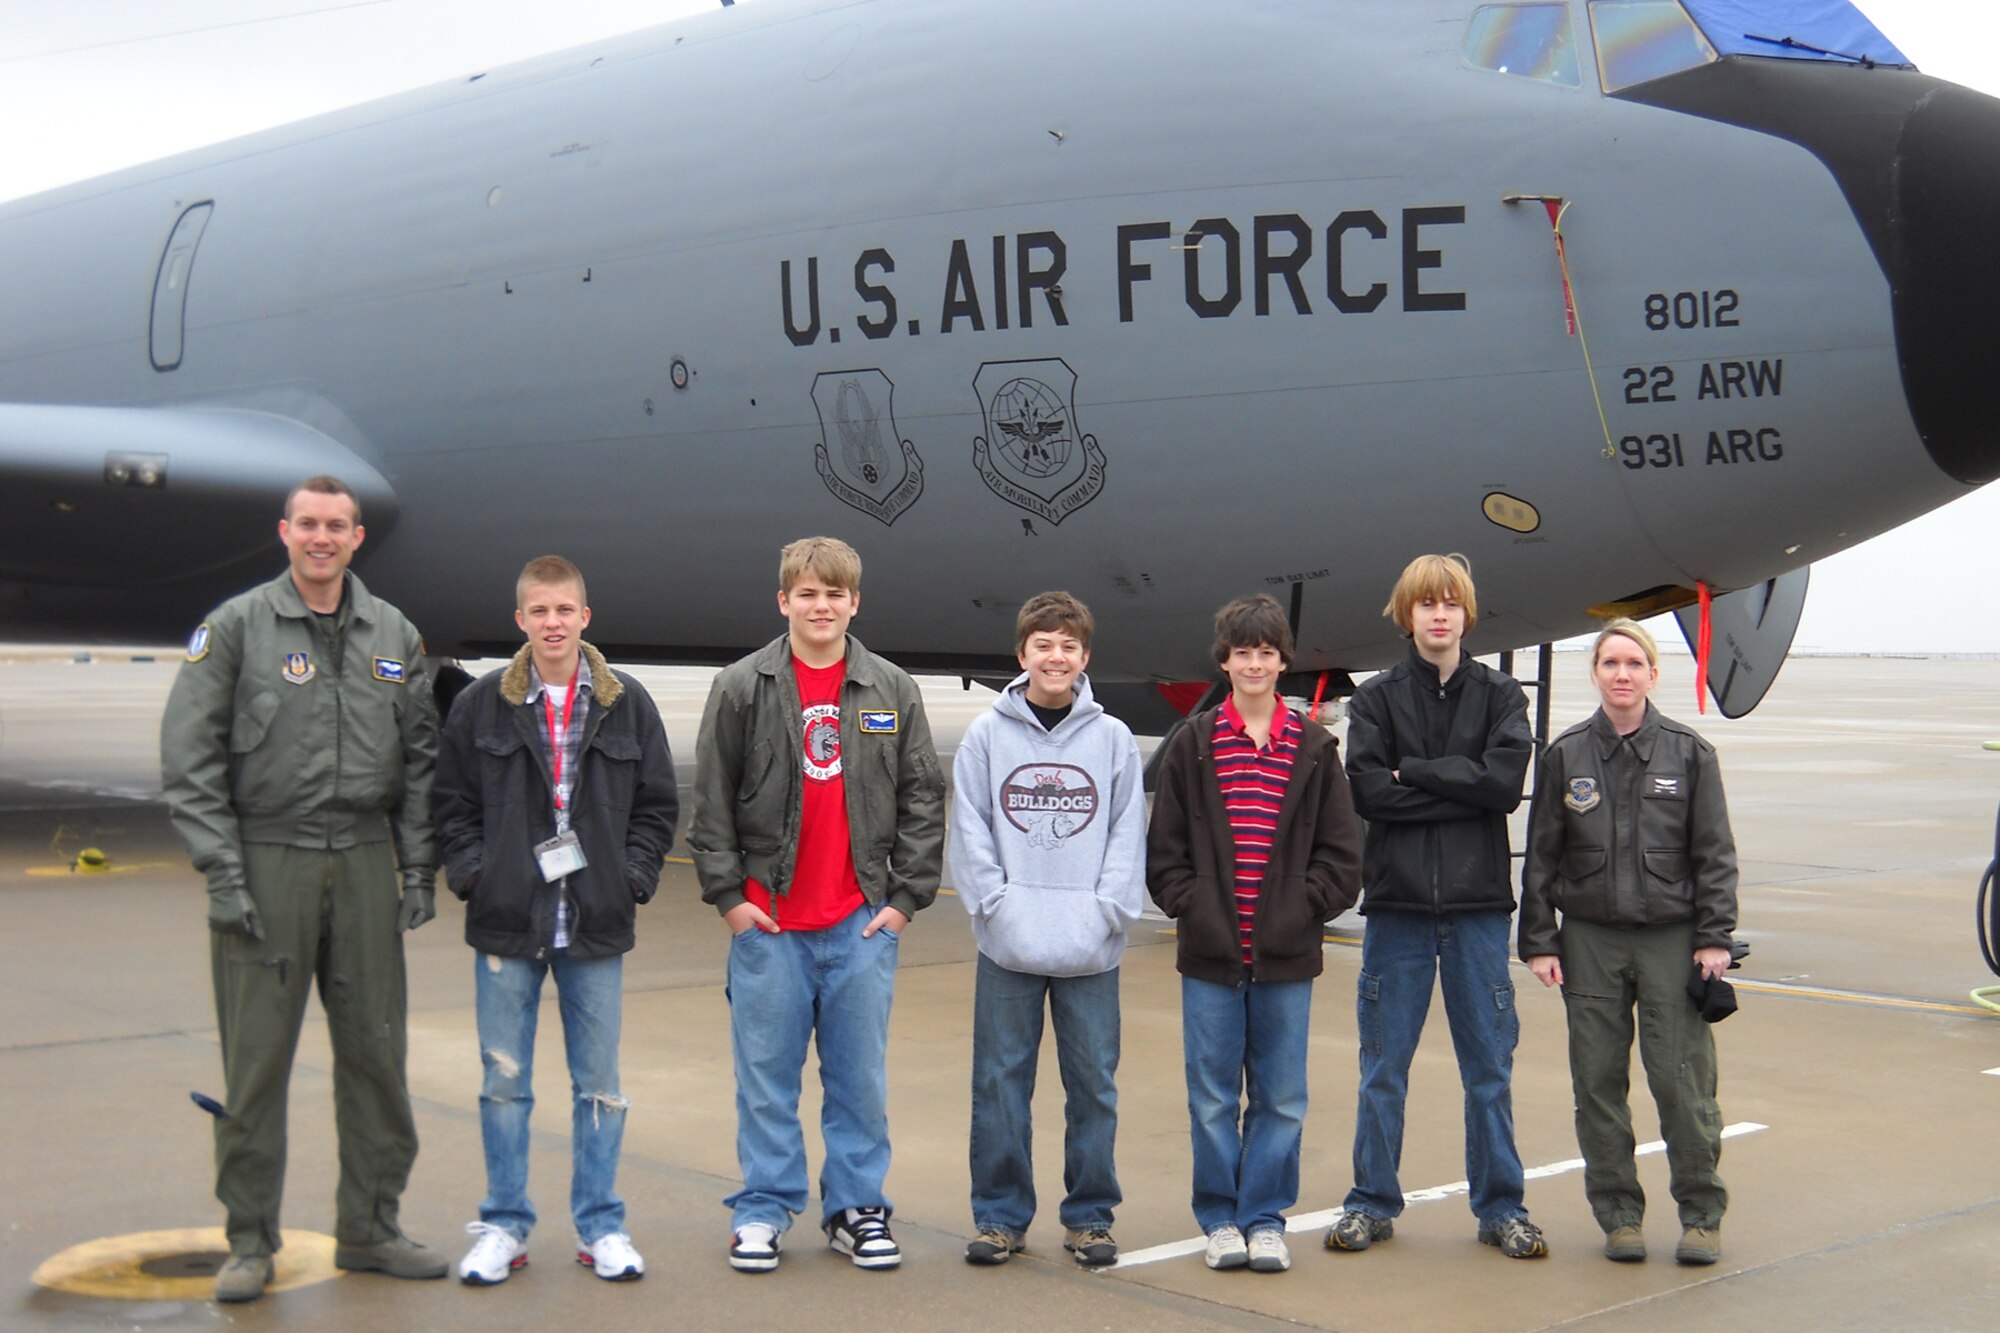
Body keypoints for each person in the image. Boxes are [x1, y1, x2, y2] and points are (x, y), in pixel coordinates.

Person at [160, 475, 447, 1304]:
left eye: (338, 526)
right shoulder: (237, 628)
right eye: (309, 524)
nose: (322, 538)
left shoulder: (393, 632)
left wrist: (417, 867)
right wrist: (221, 869)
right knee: (254, 1067)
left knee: (376, 1058)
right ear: (284, 531)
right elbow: (191, 759)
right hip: (267, 857)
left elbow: (421, 765)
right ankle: (249, 1239)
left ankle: (372, 1226)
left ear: (359, 538)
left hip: (361, 859)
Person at [689, 536, 946, 1272]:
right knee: (766, 1078)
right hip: (770, 925)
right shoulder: (743, 686)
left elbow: (923, 795)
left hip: (857, 923)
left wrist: (903, 899)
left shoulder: (892, 688)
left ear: (854, 601)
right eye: (807, 593)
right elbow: (710, 801)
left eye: (834, 593)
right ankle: (764, 1208)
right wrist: (731, 899)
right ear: (783, 601)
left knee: (859, 1079)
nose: (821, 605)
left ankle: (856, 1207)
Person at [433, 556, 679, 1285]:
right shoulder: (481, 704)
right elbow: (451, 805)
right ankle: (504, 1225)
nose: (552, 622)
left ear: (585, 617)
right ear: (520, 619)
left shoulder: (626, 703)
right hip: (508, 919)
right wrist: (475, 875)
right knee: (503, 1083)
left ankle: (601, 1224)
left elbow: (657, 805)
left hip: (594, 921)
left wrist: (631, 877)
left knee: (598, 1083)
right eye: (538, 611)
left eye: (564, 610)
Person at [1326, 554, 1546, 1260]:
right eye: (1426, 604)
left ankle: (1501, 1206)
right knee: (1383, 1064)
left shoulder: (1503, 696)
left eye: (1451, 602)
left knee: (1489, 1066)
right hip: (1398, 909)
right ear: (1407, 613)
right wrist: (1461, 782)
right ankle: (1370, 1201)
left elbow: (1504, 784)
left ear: (1466, 613)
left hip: (1480, 907)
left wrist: (1414, 772)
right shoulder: (1379, 699)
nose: (1439, 614)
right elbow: (1369, 791)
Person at [1147, 594, 1361, 1275]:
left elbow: (1342, 854)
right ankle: (1219, 1218)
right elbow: (1165, 851)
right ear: (1224, 660)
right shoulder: (1196, 742)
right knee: (1211, 1095)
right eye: (1243, 652)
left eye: (1267, 652)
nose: (1255, 663)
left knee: (1281, 1096)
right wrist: (1195, 909)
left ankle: (1264, 1217)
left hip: (1286, 956)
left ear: (1283, 661)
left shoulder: (1315, 748)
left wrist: (1304, 909)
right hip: (1212, 953)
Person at [1519, 617, 1738, 1267]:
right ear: (1595, 673)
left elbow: (1715, 853)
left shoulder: (1689, 752)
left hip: (1672, 940)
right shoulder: (1566, 754)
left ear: (1652, 673)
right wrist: (1540, 939)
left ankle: (1701, 1215)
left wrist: (1714, 936)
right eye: (1610, 663)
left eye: (1633, 663)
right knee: (1598, 1084)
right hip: (1589, 940)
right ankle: (1619, 1215)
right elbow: (1541, 855)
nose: (1621, 674)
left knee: (1682, 1083)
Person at [951, 591, 1146, 1269]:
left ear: (1084, 657)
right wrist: (996, 907)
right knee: (1001, 1082)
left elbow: (1127, 834)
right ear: (1022, 654)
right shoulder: (987, 735)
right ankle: (1001, 1216)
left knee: (1093, 1085)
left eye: (1068, 645)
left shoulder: (1114, 739)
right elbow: (971, 826)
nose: (1055, 656)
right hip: (1008, 945)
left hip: (1089, 950)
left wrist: (1105, 915)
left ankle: (1090, 1216)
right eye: (1043, 643)